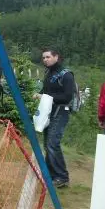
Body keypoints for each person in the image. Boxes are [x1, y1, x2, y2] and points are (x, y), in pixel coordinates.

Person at [33, 49, 74, 188]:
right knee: (47, 144)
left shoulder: (66, 75)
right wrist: (39, 94)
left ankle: (62, 177)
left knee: (52, 143)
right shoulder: (49, 73)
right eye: (43, 57)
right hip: (48, 112)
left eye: (48, 57)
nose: (45, 60)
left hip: (61, 111)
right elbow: (47, 91)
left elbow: (68, 97)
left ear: (56, 57)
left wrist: (45, 97)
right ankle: (50, 174)